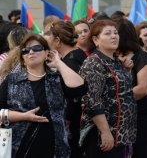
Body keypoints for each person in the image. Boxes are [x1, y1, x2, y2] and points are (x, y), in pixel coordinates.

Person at [0, 33, 86, 157]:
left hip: (56, 148)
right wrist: (23, 116)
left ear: (47, 53)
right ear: (22, 57)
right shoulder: (12, 80)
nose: (31, 52)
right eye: (26, 50)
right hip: (20, 147)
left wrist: (59, 63)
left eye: (36, 48)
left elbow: (80, 88)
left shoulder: (56, 78)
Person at [79, 20, 137, 157]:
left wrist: (127, 71)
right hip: (104, 134)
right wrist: (105, 132)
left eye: (116, 33)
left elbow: (121, 92)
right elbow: (92, 101)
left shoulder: (116, 61)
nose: (114, 36)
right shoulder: (94, 62)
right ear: (95, 40)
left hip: (122, 134)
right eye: (108, 33)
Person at [43, 20, 87, 158]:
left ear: (57, 40)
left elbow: (75, 95)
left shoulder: (71, 61)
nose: (48, 40)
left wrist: (67, 119)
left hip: (77, 122)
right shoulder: (76, 54)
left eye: (50, 36)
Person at [115, 19, 147, 158]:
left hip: (139, 115)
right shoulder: (110, 57)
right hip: (116, 119)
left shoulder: (141, 56)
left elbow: (143, 89)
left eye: (114, 33)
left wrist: (115, 99)